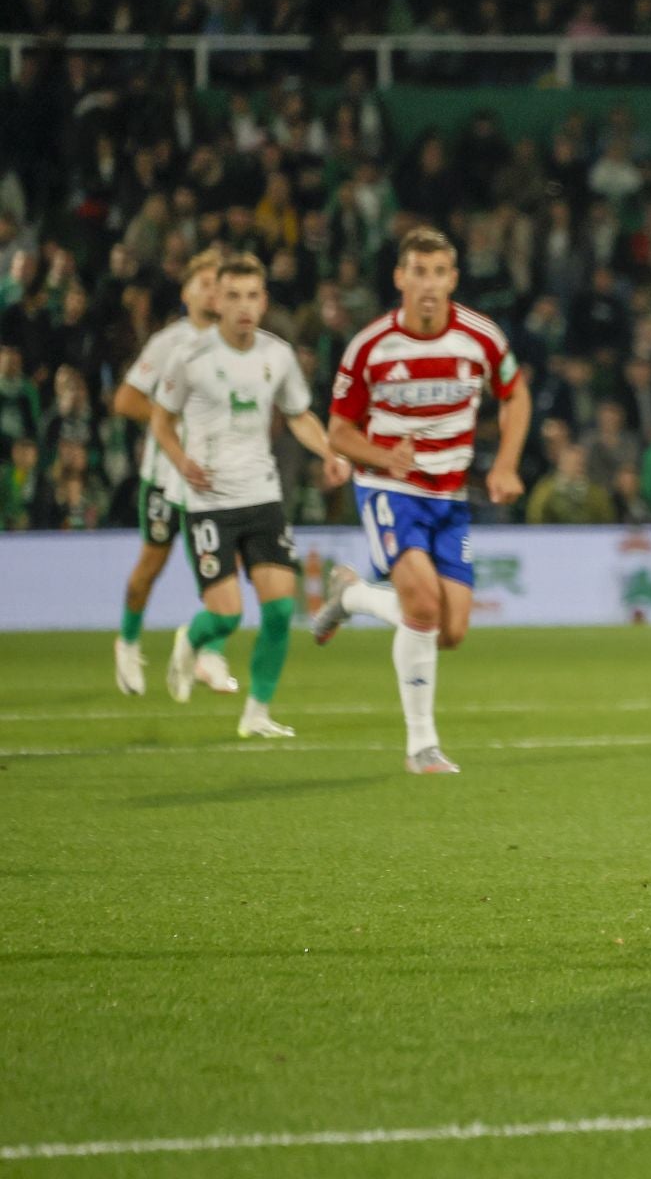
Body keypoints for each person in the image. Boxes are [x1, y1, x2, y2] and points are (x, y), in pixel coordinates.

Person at [309, 227, 531, 775]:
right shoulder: (370, 347)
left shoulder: (480, 337)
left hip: (449, 496)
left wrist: (505, 463)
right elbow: (339, 432)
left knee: (450, 631)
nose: (428, 284)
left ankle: (352, 594)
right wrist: (383, 457)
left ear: (452, 279)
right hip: (389, 490)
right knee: (424, 607)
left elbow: (516, 394)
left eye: (438, 273)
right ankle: (421, 746)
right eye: (418, 272)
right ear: (399, 278)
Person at [149, 253, 351, 735]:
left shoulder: (277, 356)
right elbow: (161, 421)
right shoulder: (190, 357)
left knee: (279, 611)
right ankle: (190, 639)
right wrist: (181, 461)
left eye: (252, 296)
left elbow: (299, 415)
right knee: (226, 617)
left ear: (264, 302)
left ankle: (257, 713)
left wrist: (329, 452)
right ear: (216, 301)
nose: (243, 306)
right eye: (233, 296)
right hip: (209, 503)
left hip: (262, 496)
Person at [107, 248, 223, 695]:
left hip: (213, 479)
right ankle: (127, 642)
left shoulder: (235, 343)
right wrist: (170, 417)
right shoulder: (168, 342)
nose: (214, 292)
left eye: (219, 284)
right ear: (186, 293)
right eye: (205, 283)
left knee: (219, 567)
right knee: (150, 567)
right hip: (165, 476)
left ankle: (208, 654)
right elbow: (125, 400)